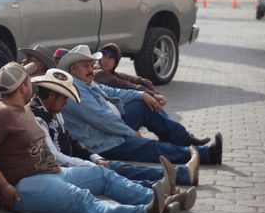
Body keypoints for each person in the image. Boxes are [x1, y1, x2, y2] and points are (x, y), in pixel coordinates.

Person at [0, 62, 169, 213]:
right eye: (29, 81)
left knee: (102, 174)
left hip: (52, 173)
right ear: (22, 87)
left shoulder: (23, 107)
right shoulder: (0, 114)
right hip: (27, 185)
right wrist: (4, 186)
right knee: (82, 200)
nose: (32, 85)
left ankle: (161, 201)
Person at [31, 68, 200, 194]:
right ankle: (163, 190)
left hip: (77, 160)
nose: (67, 103)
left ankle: (178, 177)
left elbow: (71, 141)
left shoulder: (55, 111)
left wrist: (95, 158)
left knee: (120, 169)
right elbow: (55, 157)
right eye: (64, 98)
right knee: (114, 176)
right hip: (64, 169)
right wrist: (91, 164)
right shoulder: (38, 117)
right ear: (52, 96)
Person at [59, 45, 221, 164]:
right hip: (101, 143)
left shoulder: (86, 82)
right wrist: (130, 132)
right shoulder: (75, 91)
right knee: (150, 147)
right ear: (73, 69)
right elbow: (102, 118)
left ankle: (184, 140)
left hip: (110, 129)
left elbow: (114, 92)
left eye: (91, 64)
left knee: (143, 105)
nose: (91, 69)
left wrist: (142, 94)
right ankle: (205, 154)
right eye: (85, 65)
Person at [94, 43, 158, 96]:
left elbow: (142, 80)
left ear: (115, 62)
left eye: (110, 57)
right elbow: (127, 85)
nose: (106, 60)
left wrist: (156, 93)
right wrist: (153, 95)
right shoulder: (98, 73)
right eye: (104, 56)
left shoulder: (112, 74)